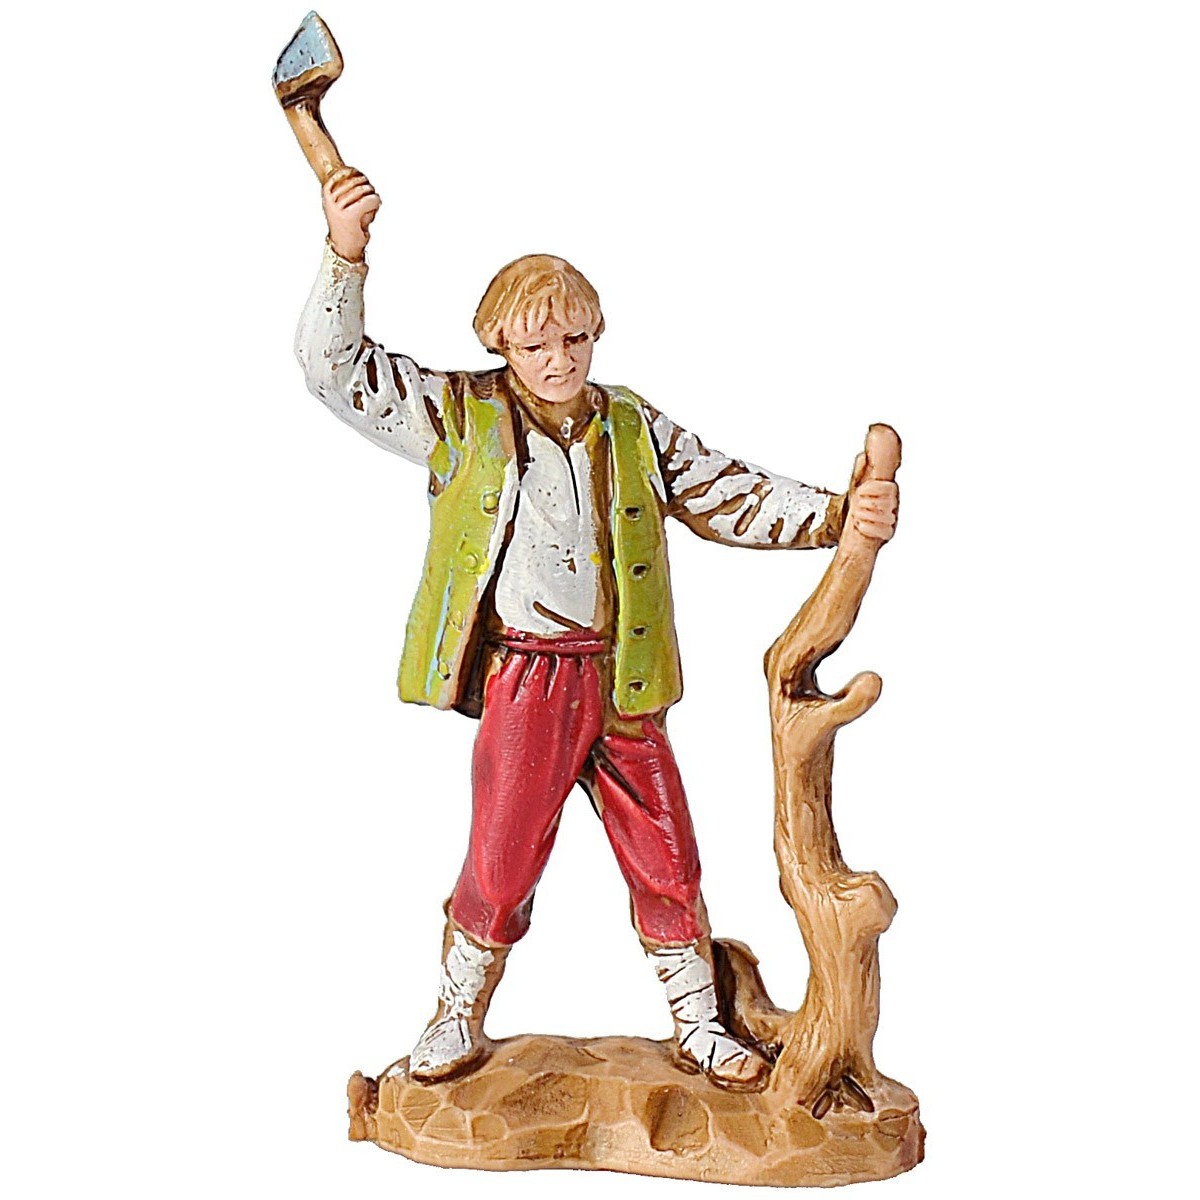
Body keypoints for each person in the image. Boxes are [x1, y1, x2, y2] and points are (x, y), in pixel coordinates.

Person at [296, 167, 899, 1090]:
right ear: (501, 343)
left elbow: (724, 490)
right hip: (527, 677)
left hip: (624, 676)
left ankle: (698, 1022)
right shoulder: (459, 414)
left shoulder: (630, 426)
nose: (558, 359)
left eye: (574, 339)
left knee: (667, 851)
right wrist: (346, 254)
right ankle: (456, 1013)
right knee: (501, 859)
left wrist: (834, 515)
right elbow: (335, 370)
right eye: (536, 343)